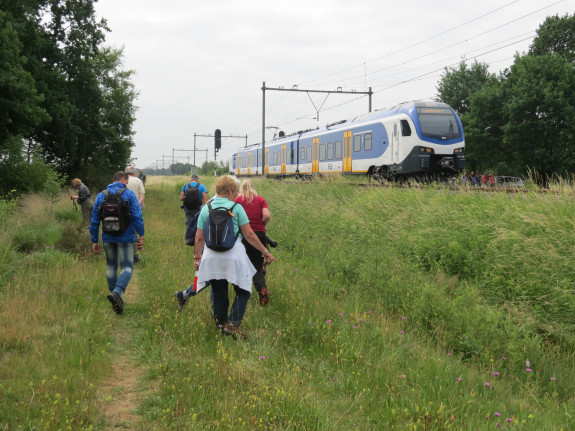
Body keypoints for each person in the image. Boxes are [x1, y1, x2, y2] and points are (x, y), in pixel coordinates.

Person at [193, 176, 277, 339]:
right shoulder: (236, 208)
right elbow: (250, 234)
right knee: (244, 290)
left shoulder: (206, 208)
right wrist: (265, 251)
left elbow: (199, 237)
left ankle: (220, 326)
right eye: (236, 190)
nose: (238, 194)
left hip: (211, 257)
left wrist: (197, 257)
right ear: (230, 190)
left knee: (219, 292)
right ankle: (232, 324)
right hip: (233, 256)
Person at [90, 171, 145, 315]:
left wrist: (94, 240)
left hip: (107, 238)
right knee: (127, 266)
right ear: (123, 179)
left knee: (110, 266)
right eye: (127, 182)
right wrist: (141, 235)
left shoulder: (101, 195)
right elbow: (137, 216)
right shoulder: (129, 194)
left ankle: (114, 295)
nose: (127, 184)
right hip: (126, 237)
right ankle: (117, 293)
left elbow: (94, 220)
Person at [234, 179, 272, 306]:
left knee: (242, 264)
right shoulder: (261, 200)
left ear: (240, 189)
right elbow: (266, 215)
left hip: (243, 235)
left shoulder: (237, 200)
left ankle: (242, 293)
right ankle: (262, 289)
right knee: (257, 266)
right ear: (253, 187)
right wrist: (262, 224)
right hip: (259, 235)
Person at [125, 166, 146, 262]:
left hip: (122, 211)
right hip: (135, 210)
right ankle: (135, 254)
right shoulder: (138, 180)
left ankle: (126, 254)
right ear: (134, 172)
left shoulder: (122, 180)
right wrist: (136, 207)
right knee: (135, 232)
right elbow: (142, 196)